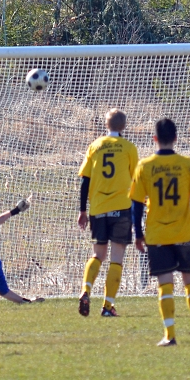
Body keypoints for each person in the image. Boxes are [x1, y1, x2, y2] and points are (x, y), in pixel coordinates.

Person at [130, 118, 190, 347]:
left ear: (155, 139)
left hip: (157, 234)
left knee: (165, 284)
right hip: (185, 233)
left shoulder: (144, 166)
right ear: (176, 138)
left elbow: (136, 204)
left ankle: (169, 336)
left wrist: (138, 233)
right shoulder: (186, 164)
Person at [77, 108, 139, 317]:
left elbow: (85, 181)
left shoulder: (95, 146)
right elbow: (136, 181)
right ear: (124, 126)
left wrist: (82, 210)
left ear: (106, 125)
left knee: (97, 254)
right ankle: (107, 306)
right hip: (121, 207)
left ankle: (85, 290)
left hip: (98, 208)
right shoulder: (129, 148)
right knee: (117, 257)